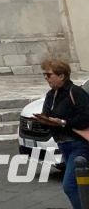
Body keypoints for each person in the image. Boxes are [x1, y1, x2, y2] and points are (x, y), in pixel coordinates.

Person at [36, 58, 89, 208]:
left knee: (70, 185)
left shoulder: (75, 92)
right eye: (44, 75)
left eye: (49, 75)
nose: (46, 78)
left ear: (61, 76)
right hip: (63, 145)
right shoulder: (50, 95)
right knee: (80, 184)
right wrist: (44, 121)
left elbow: (85, 118)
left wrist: (63, 122)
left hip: (79, 144)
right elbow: (47, 114)